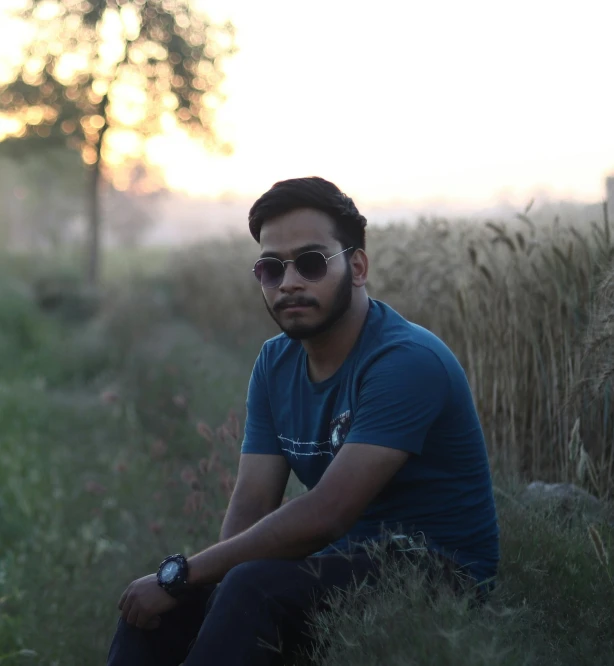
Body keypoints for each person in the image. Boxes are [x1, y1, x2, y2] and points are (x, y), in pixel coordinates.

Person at [107, 177, 500, 666]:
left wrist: (184, 573)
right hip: (346, 567)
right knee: (159, 610)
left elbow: (327, 514)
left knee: (249, 586)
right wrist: (200, 585)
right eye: (271, 269)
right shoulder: (276, 363)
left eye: (311, 263)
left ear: (357, 267)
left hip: (438, 576)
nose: (289, 282)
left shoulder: (405, 362)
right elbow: (252, 500)